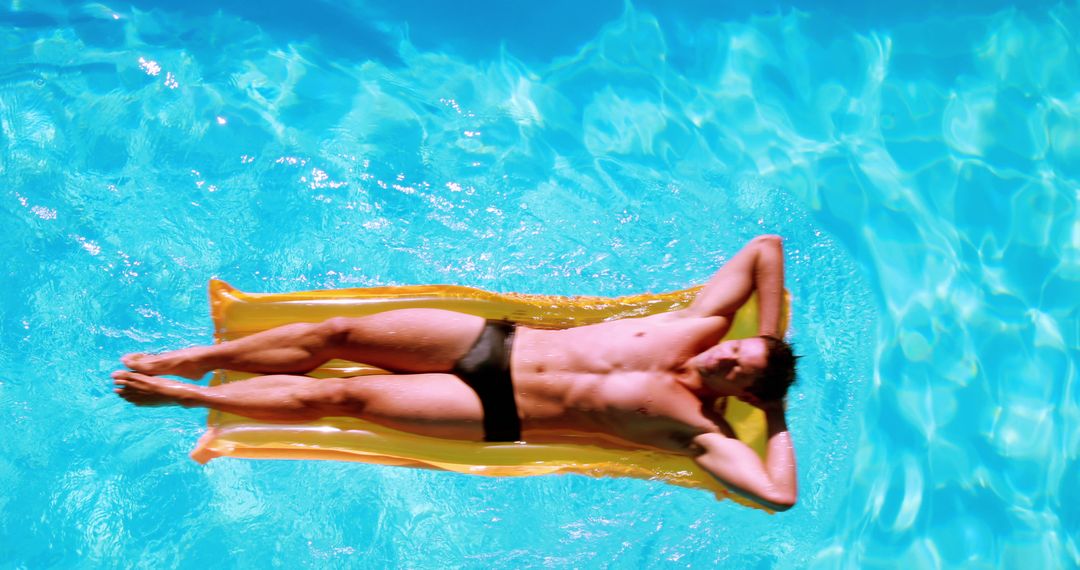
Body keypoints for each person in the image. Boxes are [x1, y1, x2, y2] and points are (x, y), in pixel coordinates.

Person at [114, 235, 799, 509]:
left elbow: (776, 496)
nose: (725, 353)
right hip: (494, 346)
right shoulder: (702, 323)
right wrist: (770, 334)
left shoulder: (701, 433)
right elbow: (766, 249)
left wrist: (773, 418)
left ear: (741, 391)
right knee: (339, 333)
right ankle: (193, 360)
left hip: (495, 414)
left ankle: (175, 396)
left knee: (344, 397)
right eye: (738, 347)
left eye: (738, 366)